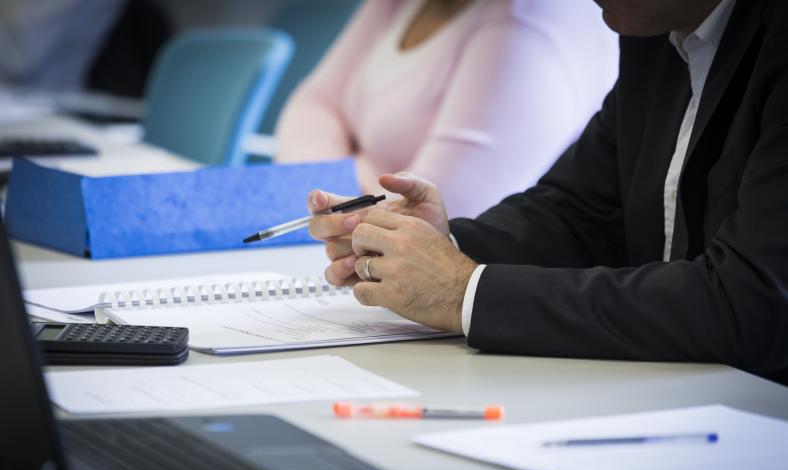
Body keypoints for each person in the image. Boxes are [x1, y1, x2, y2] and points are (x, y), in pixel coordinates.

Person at [306, 0, 788, 384]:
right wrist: (441, 246)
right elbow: (580, 211)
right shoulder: (657, 33)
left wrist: (462, 292)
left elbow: (751, 301)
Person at [275, 0, 618, 218]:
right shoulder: (399, 4)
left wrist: (325, 190)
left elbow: (437, 212)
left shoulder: (524, 26)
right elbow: (313, 103)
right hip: (351, 233)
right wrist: (325, 193)